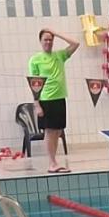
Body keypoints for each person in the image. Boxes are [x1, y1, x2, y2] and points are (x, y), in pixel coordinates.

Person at [27, 29, 78, 174]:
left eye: (50, 39)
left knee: (57, 131)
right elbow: (34, 84)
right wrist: (37, 104)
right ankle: (51, 163)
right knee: (49, 132)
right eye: (45, 39)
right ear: (40, 41)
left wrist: (56, 32)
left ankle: (54, 162)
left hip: (60, 98)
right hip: (46, 99)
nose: (48, 42)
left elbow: (75, 43)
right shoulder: (35, 60)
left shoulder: (60, 56)